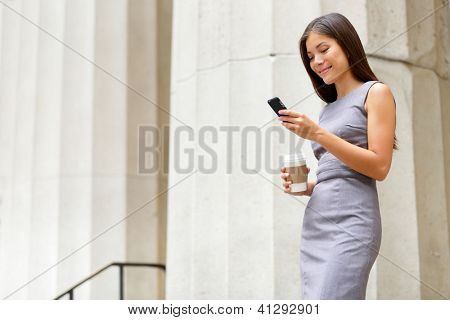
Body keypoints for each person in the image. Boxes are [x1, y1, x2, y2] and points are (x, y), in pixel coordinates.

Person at [278, 12, 397, 299]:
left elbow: (379, 167)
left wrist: (318, 134)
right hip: (318, 222)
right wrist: (307, 186)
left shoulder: (376, 93)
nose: (317, 62)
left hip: (353, 221)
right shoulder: (327, 110)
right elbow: (339, 171)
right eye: (310, 56)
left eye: (324, 49)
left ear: (346, 45)